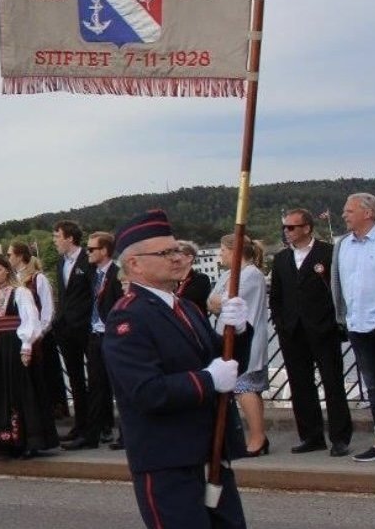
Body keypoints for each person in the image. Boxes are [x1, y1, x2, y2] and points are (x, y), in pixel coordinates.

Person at [101, 210, 247, 527]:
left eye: (177, 249)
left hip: (209, 452)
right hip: (168, 462)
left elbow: (227, 367)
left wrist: (236, 331)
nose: (177, 257)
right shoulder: (128, 317)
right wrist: (208, 380)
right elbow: (147, 392)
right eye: (165, 252)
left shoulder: (185, 307)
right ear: (134, 264)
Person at [269, 208, 353, 457]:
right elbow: (276, 295)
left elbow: (338, 290)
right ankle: (311, 435)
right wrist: (280, 322)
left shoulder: (328, 253)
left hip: (323, 329)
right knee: (300, 384)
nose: (287, 232)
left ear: (306, 228)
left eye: (292, 227)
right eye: (285, 227)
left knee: (333, 383)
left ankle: (340, 438)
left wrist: (333, 322)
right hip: (291, 331)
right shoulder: (282, 259)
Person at [0, 254, 58, 459]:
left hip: (16, 344)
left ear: (7, 270)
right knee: (0, 392)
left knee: (21, 391)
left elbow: (31, 319)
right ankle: (2, 441)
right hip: (0, 347)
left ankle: (27, 441)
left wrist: (26, 345)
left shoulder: (20, 292)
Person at [332, 192, 375, 463]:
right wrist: (342, 317)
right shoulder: (342, 246)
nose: (344, 215)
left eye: (349, 210)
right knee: (374, 385)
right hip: (357, 323)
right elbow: (337, 284)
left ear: (368, 213)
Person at [208, 234, 271, 457]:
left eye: (223, 250)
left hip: (247, 337)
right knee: (243, 388)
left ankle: (257, 438)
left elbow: (226, 300)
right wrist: (220, 302)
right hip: (229, 337)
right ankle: (258, 435)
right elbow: (212, 301)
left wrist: (221, 301)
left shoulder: (251, 274)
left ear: (234, 252)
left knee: (245, 387)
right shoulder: (227, 274)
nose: (220, 255)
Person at [62, 231, 124, 451]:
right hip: (94, 335)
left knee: (119, 386)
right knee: (96, 387)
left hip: (112, 337)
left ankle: (125, 434)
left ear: (104, 251)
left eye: (91, 249)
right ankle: (91, 435)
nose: (87, 253)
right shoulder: (94, 274)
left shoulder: (117, 275)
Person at [10, 242, 65, 424]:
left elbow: (47, 309)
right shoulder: (13, 279)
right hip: (21, 336)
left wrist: (39, 332)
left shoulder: (37, 278)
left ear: (19, 256)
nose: (8, 257)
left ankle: (50, 412)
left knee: (46, 376)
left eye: (10, 254)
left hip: (41, 337)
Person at [51, 220, 91, 422]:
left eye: (57, 236)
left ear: (70, 238)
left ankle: (100, 424)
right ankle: (81, 423)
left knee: (96, 377)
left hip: (86, 328)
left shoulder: (88, 260)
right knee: (75, 378)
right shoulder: (61, 263)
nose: (54, 241)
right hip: (66, 329)